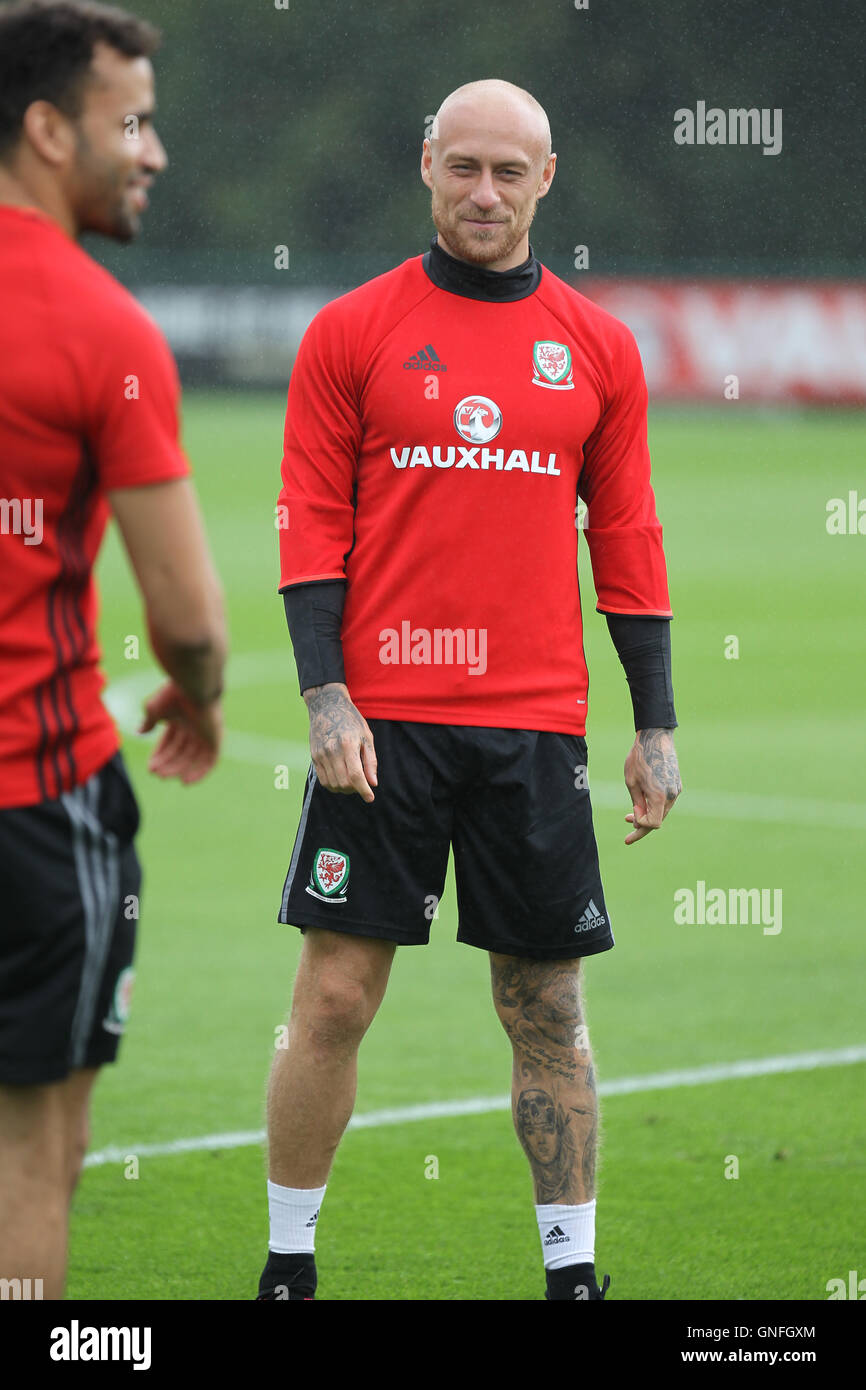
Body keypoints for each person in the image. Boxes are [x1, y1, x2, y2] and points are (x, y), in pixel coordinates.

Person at [261, 78, 681, 1302]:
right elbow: (307, 523)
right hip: (382, 726)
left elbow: (629, 535)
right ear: (425, 164)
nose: (483, 193)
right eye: (463, 168)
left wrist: (651, 721)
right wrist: (324, 693)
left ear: (546, 177)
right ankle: (289, 1263)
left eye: (509, 171)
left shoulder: (597, 345)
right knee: (332, 996)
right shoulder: (351, 329)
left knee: (544, 1007)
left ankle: (572, 1274)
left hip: (532, 727)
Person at [0, 0, 226, 1299]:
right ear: (47, 129)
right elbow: (188, 618)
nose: (152, 152)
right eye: (130, 122)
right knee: (35, 1160)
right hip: (34, 805)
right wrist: (197, 697)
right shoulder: (103, 330)